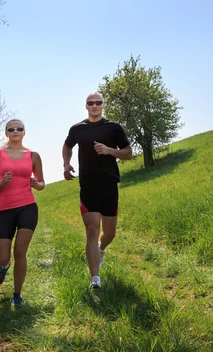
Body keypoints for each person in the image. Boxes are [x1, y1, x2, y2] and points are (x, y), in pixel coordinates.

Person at [62, 92, 132, 289]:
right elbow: (67, 146)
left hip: (109, 184)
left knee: (109, 233)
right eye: (90, 103)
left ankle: (101, 250)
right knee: (92, 229)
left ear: (103, 105)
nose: (94, 105)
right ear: (86, 106)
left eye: (98, 103)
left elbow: (128, 153)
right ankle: (95, 278)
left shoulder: (113, 128)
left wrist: (110, 150)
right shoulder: (77, 128)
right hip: (88, 185)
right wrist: (66, 165)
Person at [0, 119, 45, 305]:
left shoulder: (33, 156)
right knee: (2, 257)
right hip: (5, 210)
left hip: (27, 207)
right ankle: (5, 266)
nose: (15, 131)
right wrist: (1, 183)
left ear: (24, 132)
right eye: (11, 129)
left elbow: (42, 183)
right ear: (6, 133)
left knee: (20, 251)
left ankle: (17, 294)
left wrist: (37, 184)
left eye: (19, 128)